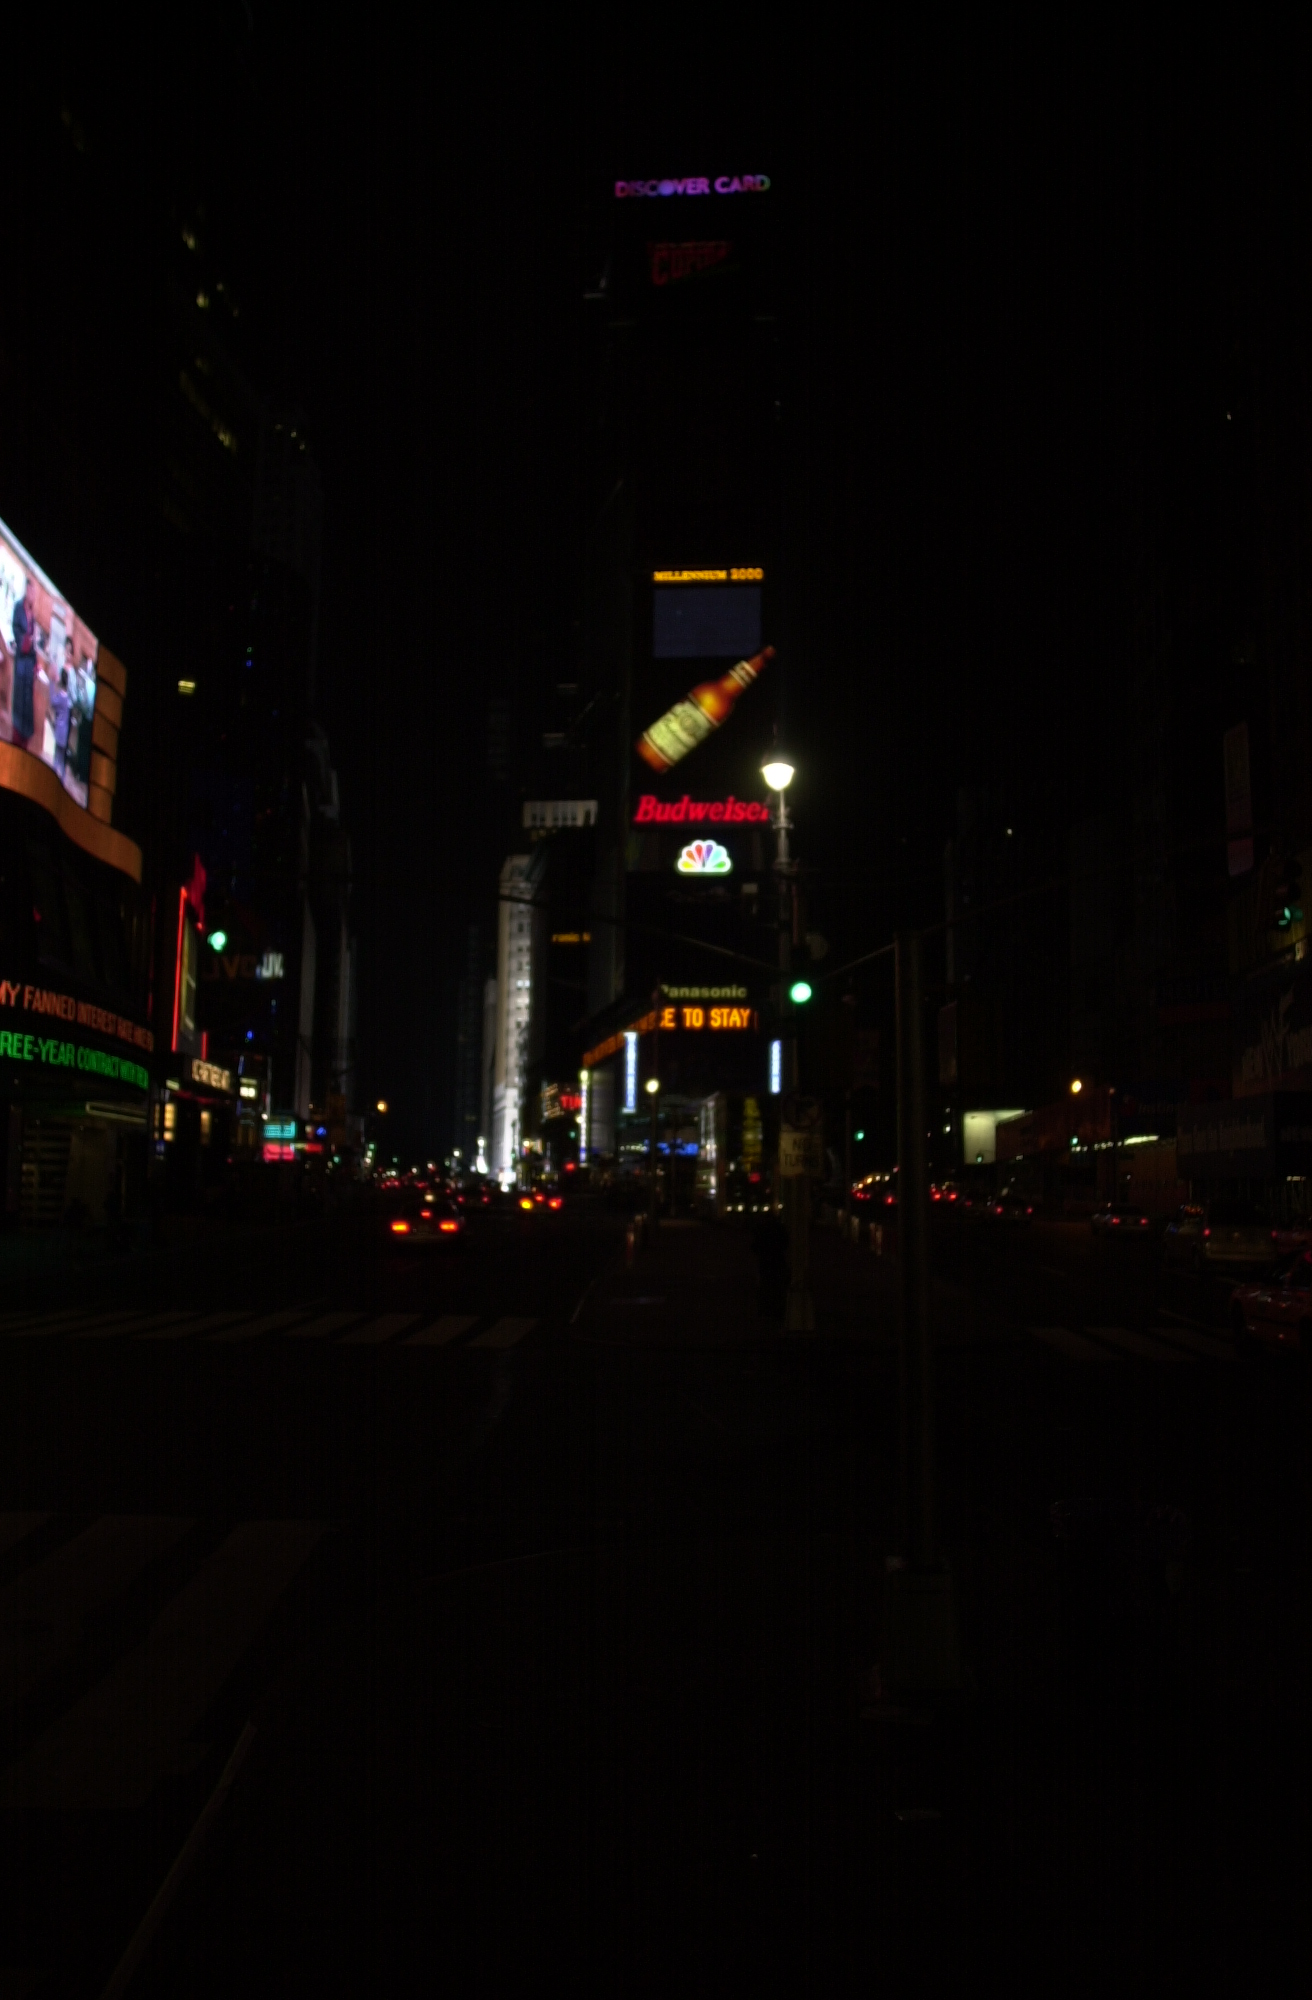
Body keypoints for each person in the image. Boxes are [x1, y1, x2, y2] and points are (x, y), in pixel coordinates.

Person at [10, 575, 36, 750]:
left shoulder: (32, 614)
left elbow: (33, 638)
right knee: (19, 700)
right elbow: (16, 630)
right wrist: (25, 641)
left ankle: (25, 739)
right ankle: (16, 737)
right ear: (26, 591)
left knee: (28, 703)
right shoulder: (18, 608)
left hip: (29, 665)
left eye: (35, 593)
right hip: (21, 662)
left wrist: (36, 663)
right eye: (31, 591)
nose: (33, 596)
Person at [49, 665, 73, 778]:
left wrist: (52, 684)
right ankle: (62, 779)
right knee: (63, 760)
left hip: (60, 730)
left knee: (57, 758)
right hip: (66, 731)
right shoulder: (69, 698)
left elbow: (52, 702)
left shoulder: (60, 697)